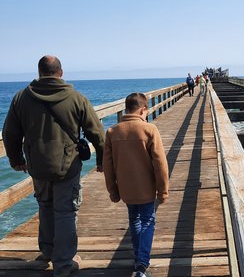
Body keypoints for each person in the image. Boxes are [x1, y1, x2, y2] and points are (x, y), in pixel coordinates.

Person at [2, 55, 105, 277]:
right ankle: (64, 263)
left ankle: (48, 252)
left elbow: (9, 133)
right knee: (66, 212)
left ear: (39, 72)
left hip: (37, 166)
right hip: (67, 166)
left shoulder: (21, 98)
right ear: (61, 72)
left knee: (45, 206)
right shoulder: (76, 98)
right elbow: (96, 132)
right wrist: (102, 159)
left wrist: (16, 159)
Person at [103, 92, 169, 277]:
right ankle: (141, 263)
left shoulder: (112, 132)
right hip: (147, 189)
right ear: (143, 109)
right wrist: (163, 191)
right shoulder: (150, 130)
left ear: (126, 109)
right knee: (147, 220)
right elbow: (160, 164)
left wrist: (113, 191)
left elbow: (108, 167)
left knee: (134, 219)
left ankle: (138, 258)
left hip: (126, 189)